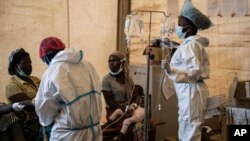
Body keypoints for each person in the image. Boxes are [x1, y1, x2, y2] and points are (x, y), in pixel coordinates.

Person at [161, 0, 213, 141]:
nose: (177, 28)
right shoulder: (189, 45)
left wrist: (171, 70)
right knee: (187, 127)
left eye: (180, 24)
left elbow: (194, 71)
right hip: (189, 92)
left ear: (188, 29)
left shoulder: (191, 46)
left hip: (191, 92)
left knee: (190, 129)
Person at [35, 36, 102, 141]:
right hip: (94, 131)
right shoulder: (87, 64)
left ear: (46, 56)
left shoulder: (52, 72)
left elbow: (45, 110)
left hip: (68, 134)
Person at [102, 51, 143, 140]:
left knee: (146, 123)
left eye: (114, 60)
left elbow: (133, 95)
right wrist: (124, 108)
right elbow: (109, 101)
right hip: (113, 111)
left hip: (128, 108)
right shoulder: (106, 80)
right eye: (109, 61)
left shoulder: (128, 79)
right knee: (128, 126)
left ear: (122, 62)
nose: (111, 63)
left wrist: (132, 105)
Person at [5, 48, 41, 141]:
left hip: (44, 114)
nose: (29, 65)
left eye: (30, 62)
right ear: (16, 66)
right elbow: (28, 106)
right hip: (29, 125)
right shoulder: (12, 85)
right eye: (25, 63)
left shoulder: (35, 79)